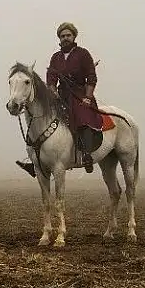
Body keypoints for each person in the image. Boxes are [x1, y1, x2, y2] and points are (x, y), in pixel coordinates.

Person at [15, 22, 102, 177]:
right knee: (41, 119)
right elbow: (51, 77)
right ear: (59, 38)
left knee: (81, 117)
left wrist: (88, 97)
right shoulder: (56, 57)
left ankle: (86, 154)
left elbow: (91, 76)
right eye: (62, 36)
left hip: (80, 95)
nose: (65, 38)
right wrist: (52, 90)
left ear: (74, 36)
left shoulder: (83, 54)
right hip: (61, 96)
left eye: (68, 35)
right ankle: (34, 160)